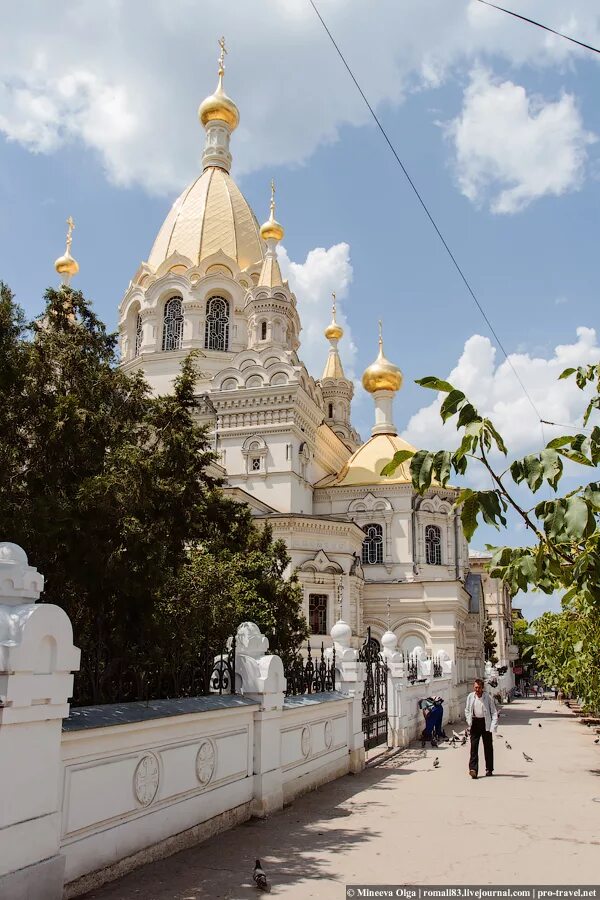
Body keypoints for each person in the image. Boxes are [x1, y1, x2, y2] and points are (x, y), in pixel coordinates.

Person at [465, 678, 498, 779]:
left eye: (479, 688)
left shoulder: (487, 697)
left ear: (482, 688)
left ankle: (489, 769)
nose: (477, 689)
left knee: (488, 747)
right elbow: (467, 710)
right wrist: (469, 720)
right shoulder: (471, 697)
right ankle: (473, 769)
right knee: (473, 748)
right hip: (475, 723)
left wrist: (493, 726)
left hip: (485, 723)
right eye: (475, 687)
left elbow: (494, 712)